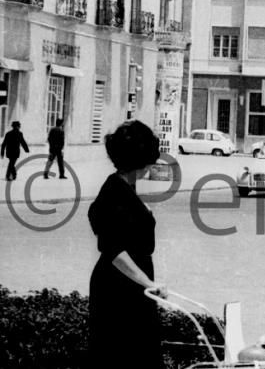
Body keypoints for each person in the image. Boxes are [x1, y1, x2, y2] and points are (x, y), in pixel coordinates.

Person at [88, 120, 166, 368]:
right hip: (120, 286)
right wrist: (149, 284)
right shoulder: (114, 193)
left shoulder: (124, 186)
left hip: (132, 284)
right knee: (124, 353)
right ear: (139, 161)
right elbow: (114, 251)